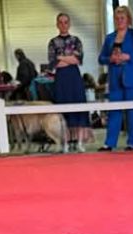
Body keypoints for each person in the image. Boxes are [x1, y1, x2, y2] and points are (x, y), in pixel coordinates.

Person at [97, 5, 133, 151]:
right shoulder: (110, 38)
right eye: (117, 18)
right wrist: (110, 59)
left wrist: (129, 57)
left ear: (128, 19)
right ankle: (109, 143)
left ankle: (132, 143)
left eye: (122, 18)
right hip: (115, 79)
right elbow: (101, 58)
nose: (119, 20)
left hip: (131, 78)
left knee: (132, 112)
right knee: (114, 110)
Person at [48, 13, 91, 151]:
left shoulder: (76, 40)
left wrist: (61, 57)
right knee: (62, 109)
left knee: (79, 107)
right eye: (60, 22)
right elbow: (54, 63)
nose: (63, 25)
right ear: (57, 24)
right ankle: (65, 144)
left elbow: (78, 60)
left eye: (66, 22)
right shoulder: (52, 42)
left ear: (69, 24)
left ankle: (80, 143)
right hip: (61, 79)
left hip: (75, 78)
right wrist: (69, 58)